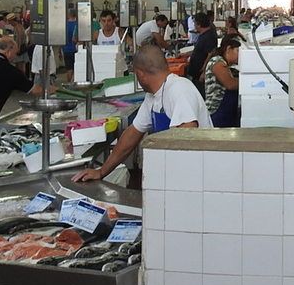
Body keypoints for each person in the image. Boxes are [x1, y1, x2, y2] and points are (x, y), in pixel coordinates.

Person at [72, 44, 212, 186]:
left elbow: (187, 134)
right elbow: (132, 134)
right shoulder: (152, 96)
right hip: (178, 174)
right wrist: (102, 171)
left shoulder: (180, 89)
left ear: (140, 74)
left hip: (199, 175)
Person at [203, 37, 241, 128]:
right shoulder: (217, 62)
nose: (240, 55)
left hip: (225, 111)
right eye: (237, 51)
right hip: (216, 110)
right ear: (228, 49)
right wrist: (251, 83)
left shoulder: (223, 63)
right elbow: (230, 84)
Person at [187, 12, 218, 90]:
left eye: (194, 23)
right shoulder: (203, 35)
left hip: (201, 75)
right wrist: (185, 54)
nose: (194, 26)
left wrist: (204, 72)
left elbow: (211, 54)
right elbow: (198, 50)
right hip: (196, 74)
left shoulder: (209, 36)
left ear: (199, 24)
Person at [63, 7, 79, 78]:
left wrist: (60, 51)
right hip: (76, 49)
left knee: (69, 69)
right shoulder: (77, 24)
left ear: (68, 15)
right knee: (76, 69)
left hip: (66, 49)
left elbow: (62, 38)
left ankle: (69, 83)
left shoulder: (64, 25)